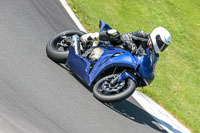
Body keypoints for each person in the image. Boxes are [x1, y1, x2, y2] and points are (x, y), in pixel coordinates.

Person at [80, 27, 171, 68]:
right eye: (160, 43)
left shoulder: (154, 55)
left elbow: (151, 67)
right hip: (117, 46)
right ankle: (90, 37)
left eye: (163, 45)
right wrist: (132, 47)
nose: (160, 46)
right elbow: (126, 37)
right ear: (156, 36)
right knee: (114, 33)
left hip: (126, 61)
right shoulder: (142, 35)